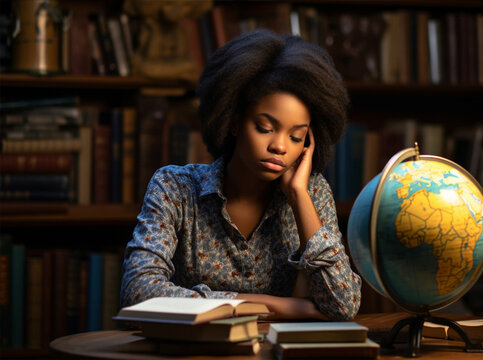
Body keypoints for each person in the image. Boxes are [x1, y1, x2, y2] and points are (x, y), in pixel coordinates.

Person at [121, 29, 362, 321]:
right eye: (265, 127)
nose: (280, 146)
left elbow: (343, 306)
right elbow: (138, 292)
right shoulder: (174, 189)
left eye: (297, 137)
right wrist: (275, 306)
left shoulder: (310, 193)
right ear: (234, 121)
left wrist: (299, 196)